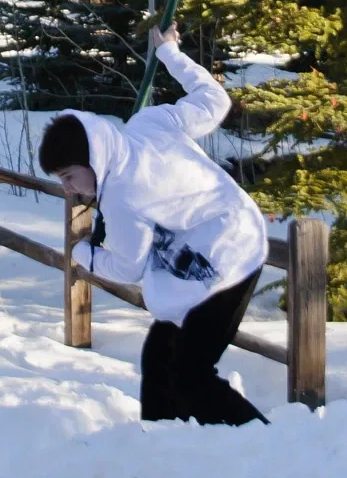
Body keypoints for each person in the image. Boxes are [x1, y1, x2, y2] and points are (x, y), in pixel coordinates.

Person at [40, 23, 270, 426]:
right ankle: (162, 447)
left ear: (93, 159)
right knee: (159, 354)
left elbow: (128, 267)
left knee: (190, 376)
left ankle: (269, 450)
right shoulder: (147, 125)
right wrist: (170, 54)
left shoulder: (123, 197)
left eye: (70, 177)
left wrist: (84, 254)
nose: (69, 190)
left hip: (227, 258)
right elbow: (213, 100)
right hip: (220, 234)